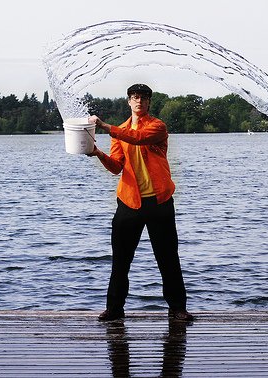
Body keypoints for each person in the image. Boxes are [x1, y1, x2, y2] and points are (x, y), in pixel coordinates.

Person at [87, 83, 193, 322]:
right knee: (121, 260)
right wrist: (98, 154)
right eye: (135, 97)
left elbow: (139, 138)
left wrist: (105, 127)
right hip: (129, 203)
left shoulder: (157, 127)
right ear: (129, 101)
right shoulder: (121, 130)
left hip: (159, 202)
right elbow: (116, 166)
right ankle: (114, 309)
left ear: (149, 103)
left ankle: (177, 309)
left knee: (168, 259)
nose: (139, 101)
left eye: (144, 98)